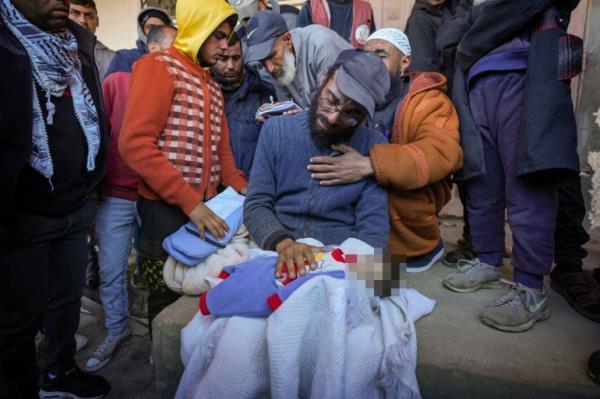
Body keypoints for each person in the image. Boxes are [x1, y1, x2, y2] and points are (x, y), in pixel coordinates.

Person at [440, 0, 582, 332]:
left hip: (524, 76)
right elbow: (448, 38)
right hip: (476, 84)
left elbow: (474, 30)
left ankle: (531, 287)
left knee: (528, 187)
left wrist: (474, 33)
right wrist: (477, 28)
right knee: (482, 182)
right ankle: (488, 259)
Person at [0, 0, 110, 397]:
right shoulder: (7, 42)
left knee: (66, 302)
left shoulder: (76, 46)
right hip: (22, 215)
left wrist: (92, 182)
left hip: (76, 204)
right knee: (17, 322)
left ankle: (60, 373)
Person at [119, 0, 248, 330]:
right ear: (197, 28)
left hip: (204, 208)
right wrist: (190, 202)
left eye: (228, 36)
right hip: (164, 209)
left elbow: (223, 154)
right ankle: (163, 368)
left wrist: (243, 189)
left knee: (193, 293)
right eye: (217, 35)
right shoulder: (158, 66)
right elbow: (135, 144)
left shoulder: (212, 85)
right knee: (164, 296)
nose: (224, 44)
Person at [307, 28, 462, 273]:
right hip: (361, 220)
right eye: (366, 56)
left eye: (380, 55)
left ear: (404, 63)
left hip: (410, 214)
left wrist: (369, 166)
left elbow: (442, 153)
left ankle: (397, 262)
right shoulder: (355, 98)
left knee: (377, 292)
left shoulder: (429, 100)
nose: (371, 63)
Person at [244, 49, 390, 276]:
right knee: (241, 295)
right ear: (323, 79)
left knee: (385, 286)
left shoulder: (374, 146)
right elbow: (256, 205)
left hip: (341, 254)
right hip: (279, 245)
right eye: (332, 100)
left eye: (351, 114)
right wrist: (284, 244)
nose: (333, 118)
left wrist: (334, 265)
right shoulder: (275, 131)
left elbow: (374, 230)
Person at [82, 24, 177, 374]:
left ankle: (161, 335)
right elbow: (99, 129)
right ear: (149, 46)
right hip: (118, 192)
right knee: (110, 268)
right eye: (166, 49)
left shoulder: (178, 83)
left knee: (163, 270)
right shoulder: (119, 76)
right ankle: (117, 327)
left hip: (159, 194)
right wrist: (96, 183)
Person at [245, 10, 351, 109]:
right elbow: (286, 110)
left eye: (272, 55)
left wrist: (298, 117)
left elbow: (329, 110)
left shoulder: (321, 46)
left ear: (287, 40)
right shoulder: (276, 66)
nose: (269, 68)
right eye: (262, 61)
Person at [211, 32, 276, 176]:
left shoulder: (263, 95)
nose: (231, 66)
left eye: (236, 58)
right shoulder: (202, 94)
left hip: (250, 187)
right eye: (223, 59)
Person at [297, 0, 376, 49]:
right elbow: (300, 51)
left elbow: (373, 48)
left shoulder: (365, 9)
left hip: (357, 72)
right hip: (321, 73)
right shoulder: (310, 7)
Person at [68, 0, 114, 79]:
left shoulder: (114, 59)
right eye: (75, 13)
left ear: (97, 21)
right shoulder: (48, 53)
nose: (82, 20)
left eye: (89, 16)